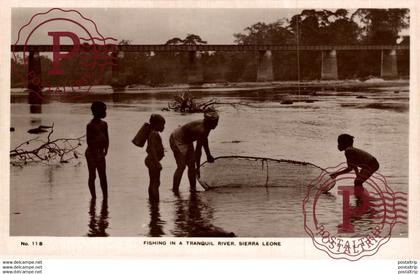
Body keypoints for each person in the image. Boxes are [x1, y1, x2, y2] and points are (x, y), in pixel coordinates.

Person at [170, 109, 219, 192]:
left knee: (192, 166)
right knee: (181, 166)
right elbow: (198, 151)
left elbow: (204, 140)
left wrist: (208, 155)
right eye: (215, 122)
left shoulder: (207, 127)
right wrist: (198, 167)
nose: (216, 124)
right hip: (177, 138)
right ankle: (175, 190)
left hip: (188, 140)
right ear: (208, 122)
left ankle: (193, 189)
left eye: (217, 122)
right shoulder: (201, 130)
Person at [85, 101, 109, 199]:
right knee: (93, 176)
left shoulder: (104, 124)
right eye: (103, 110)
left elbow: (107, 139)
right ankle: (94, 197)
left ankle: (105, 198)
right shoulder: (90, 125)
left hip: (100, 153)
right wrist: (97, 154)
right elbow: (89, 142)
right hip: (91, 153)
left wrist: (105, 150)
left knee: (103, 176)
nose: (105, 112)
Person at [144, 114, 165, 202]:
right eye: (162, 124)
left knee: (153, 182)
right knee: (156, 182)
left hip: (151, 160)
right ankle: (155, 202)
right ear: (156, 124)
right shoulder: (154, 134)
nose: (163, 127)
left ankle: (152, 201)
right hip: (152, 161)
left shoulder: (152, 133)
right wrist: (157, 162)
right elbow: (151, 148)